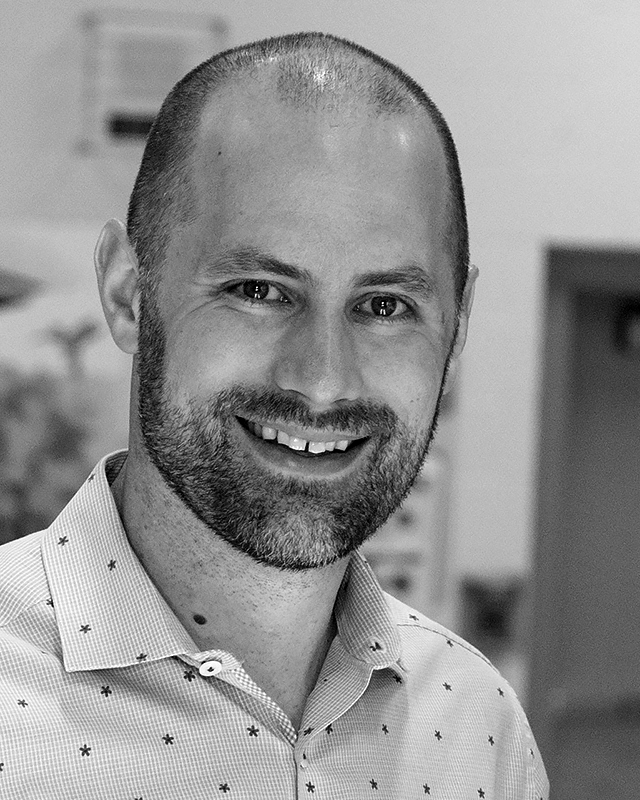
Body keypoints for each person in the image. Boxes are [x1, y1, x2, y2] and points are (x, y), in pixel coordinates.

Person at [0, 32, 548, 799]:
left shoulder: (480, 729)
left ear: (456, 331)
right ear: (128, 294)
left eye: (385, 306)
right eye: (258, 290)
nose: (321, 380)